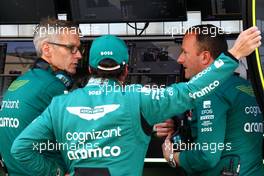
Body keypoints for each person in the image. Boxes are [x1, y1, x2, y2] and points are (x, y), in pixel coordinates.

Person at [11, 26, 261, 176]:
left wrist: (55, 172)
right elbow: (190, 92)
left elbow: (20, 150)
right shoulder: (139, 97)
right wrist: (233, 55)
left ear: (88, 67)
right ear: (126, 70)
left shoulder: (59, 105)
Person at [162, 24, 264, 176]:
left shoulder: (210, 91)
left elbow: (206, 156)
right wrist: (177, 125)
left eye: (184, 52)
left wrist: (173, 157)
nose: (179, 59)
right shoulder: (248, 87)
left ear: (204, 57)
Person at [0, 18, 82, 175]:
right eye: (71, 48)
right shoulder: (53, 87)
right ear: (47, 49)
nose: (78, 55)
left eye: (79, 49)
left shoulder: (21, 81)